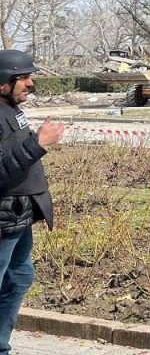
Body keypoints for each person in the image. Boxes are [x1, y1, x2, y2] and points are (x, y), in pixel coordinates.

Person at [0, 50, 64, 354]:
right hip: (3, 221)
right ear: (3, 82)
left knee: (20, 277)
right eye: (23, 77)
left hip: (17, 218)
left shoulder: (10, 108)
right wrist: (38, 144)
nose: (30, 82)